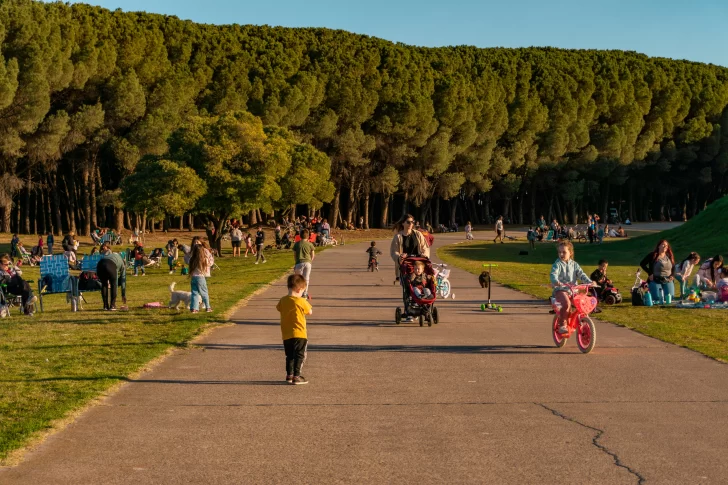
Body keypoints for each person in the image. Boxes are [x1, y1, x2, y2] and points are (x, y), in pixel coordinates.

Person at [550, 241, 594, 334]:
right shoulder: (557, 264)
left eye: (564, 252)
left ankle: (582, 320)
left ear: (570, 253)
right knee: (566, 303)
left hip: (573, 290)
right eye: (559, 252)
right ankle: (562, 324)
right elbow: (553, 274)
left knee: (582, 303)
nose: (561, 254)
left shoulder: (574, 264)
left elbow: (581, 274)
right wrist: (556, 282)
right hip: (561, 290)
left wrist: (590, 282)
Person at [276, 274, 313, 385]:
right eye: (302, 291)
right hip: (300, 333)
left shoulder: (283, 300)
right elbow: (310, 312)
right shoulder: (300, 301)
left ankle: (289, 374)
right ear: (298, 289)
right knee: (299, 355)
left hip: (286, 333)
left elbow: (278, 308)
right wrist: (304, 300)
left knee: (290, 355)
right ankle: (297, 376)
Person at [390, 214, 430, 283]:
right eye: (408, 222)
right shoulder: (398, 237)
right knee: (407, 284)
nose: (411, 224)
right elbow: (394, 251)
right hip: (405, 263)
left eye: (412, 222)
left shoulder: (418, 234)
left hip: (418, 262)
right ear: (403, 223)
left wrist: (424, 255)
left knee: (422, 282)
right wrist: (400, 256)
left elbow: (425, 247)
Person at [97, 243, 127, 311]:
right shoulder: (122, 264)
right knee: (113, 285)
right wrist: (123, 294)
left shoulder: (112, 255)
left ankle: (105, 306)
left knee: (104, 285)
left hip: (100, 265)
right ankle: (112, 305)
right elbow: (123, 280)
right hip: (110, 265)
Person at [189, 242, 213, 313]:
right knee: (204, 293)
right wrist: (209, 256)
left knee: (194, 293)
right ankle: (208, 307)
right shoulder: (203, 259)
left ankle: (194, 308)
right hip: (201, 277)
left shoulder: (192, 259)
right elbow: (210, 264)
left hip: (193, 277)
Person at [292, 229, 315, 299]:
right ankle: (305, 293)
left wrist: (296, 262)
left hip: (299, 262)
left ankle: (298, 293)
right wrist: (310, 261)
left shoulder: (297, 244)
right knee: (306, 278)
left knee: (298, 279)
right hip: (308, 262)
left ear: (300, 236)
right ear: (308, 236)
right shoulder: (310, 244)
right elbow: (313, 255)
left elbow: (295, 255)